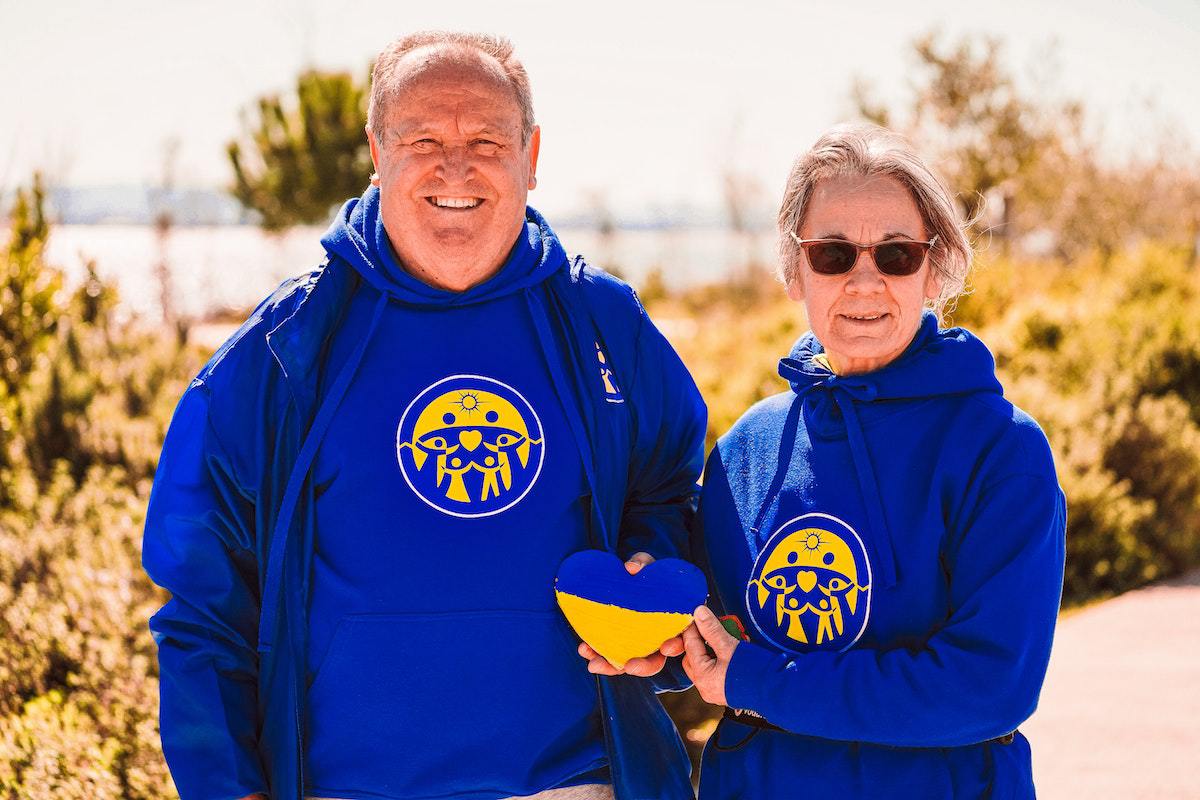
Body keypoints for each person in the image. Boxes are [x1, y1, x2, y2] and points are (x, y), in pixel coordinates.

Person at [142, 31, 705, 800]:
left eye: (485, 140)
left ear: (532, 154)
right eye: (422, 139)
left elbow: (669, 491)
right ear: (376, 151)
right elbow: (201, 601)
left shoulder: (606, 324)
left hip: (574, 783)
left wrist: (651, 600)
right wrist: (225, 785)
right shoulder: (286, 346)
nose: (455, 168)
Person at [681, 123, 1066, 799]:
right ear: (794, 268)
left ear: (936, 265)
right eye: (832, 253)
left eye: (895, 254)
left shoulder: (1000, 450)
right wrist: (639, 638)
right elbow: (705, 639)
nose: (864, 281)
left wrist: (761, 682)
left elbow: (986, 688)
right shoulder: (746, 450)